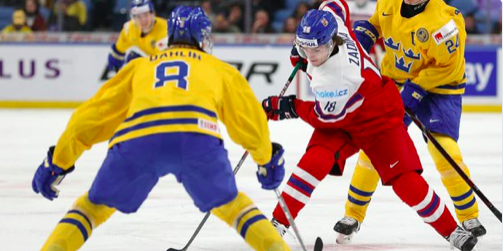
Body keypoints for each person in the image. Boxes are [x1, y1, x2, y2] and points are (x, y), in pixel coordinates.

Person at [31, 6, 291, 251]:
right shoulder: (220, 69)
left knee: (91, 208)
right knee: (234, 206)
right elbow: (249, 122)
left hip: (139, 138)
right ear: (202, 37)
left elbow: (91, 117)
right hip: (197, 138)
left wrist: (58, 161)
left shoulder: (140, 66)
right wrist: (266, 159)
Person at [263, 1, 477, 250]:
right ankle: (279, 222)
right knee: (314, 161)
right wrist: (306, 41)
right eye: (304, 47)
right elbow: (336, 5)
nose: (310, 56)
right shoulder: (335, 26)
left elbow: (325, 117)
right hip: (346, 116)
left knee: (406, 182)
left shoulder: (338, 78)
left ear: (332, 42)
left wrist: (288, 106)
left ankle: (452, 231)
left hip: (378, 119)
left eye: (316, 49)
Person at [334, 0, 486, 243]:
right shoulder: (387, 3)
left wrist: (415, 89)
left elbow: (450, 67)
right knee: (374, 149)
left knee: (444, 150)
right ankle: (353, 214)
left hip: (440, 88)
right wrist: (366, 34)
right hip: (396, 82)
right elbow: (376, 24)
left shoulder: (444, 22)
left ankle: (469, 214)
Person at [107, 0, 168, 72]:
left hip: (161, 74)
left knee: (135, 59)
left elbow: (167, 62)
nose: (143, 20)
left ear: (153, 14)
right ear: (133, 18)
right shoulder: (128, 29)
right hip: (145, 72)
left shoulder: (167, 29)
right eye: (138, 17)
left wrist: (143, 61)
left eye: (146, 15)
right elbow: (116, 56)